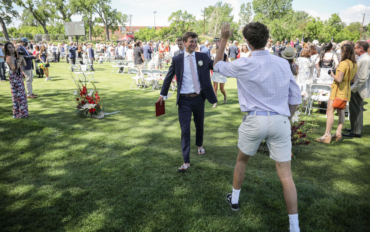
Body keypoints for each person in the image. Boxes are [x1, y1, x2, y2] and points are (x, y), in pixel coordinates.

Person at [213, 22, 301, 232]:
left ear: (247, 42)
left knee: (241, 161)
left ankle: (234, 200)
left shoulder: (243, 63)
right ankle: (294, 227)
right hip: (280, 118)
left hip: (254, 119)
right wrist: (286, 118)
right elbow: (295, 97)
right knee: (286, 176)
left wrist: (224, 39)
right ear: (267, 39)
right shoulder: (282, 64)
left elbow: (216, 66)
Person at [156, 31, 217, 172]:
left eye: (195, 41)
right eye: (191, 41)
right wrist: (162, 94)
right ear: (184, 42)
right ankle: (186, 161)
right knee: (185, 130)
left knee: (199, 124)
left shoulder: (203, 56)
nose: (194, 44)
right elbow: (168, 76)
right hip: (183, 100)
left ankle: (200, 145)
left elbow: (215, 66)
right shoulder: (177, 59)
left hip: (199, 98)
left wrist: (219, 48)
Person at [315, 44, 358, 143]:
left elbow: (338, 79)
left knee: (329, 112)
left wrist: (332, 74)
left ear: (345, 52)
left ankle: (327, 135)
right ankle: (338, 133)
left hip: (337, 90)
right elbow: (354, 79)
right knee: (341, 113)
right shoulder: (354, 64)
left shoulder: (343, 63)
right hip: (346, 91)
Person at [342, 41, 370, 138]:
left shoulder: (365, 59)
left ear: (361, 48)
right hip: (356, 87)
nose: (354, 50)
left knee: (356, 110)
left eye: (356, 48)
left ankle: (356, 131)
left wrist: (353, 88)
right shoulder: (363, 58)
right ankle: (354, 127)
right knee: (355, 109)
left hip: (358, 89)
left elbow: (362, 78)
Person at [4, 42, 29, 118]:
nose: (11, 49)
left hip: (19, 78)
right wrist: (19, 59)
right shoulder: (8, 57)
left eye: (12, 47)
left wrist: (21, 57)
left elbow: (24, 64)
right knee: (18, 96)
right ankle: (18, 114)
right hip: (14, 78)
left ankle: (23, 113)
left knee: (22, 95)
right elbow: (14, 69)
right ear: (7, 49)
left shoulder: (15, 56)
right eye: (9, 47)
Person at [211, 43, 228, 108]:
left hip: (222, 73)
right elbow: (212, 63)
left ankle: (225, 96)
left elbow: (227, 64)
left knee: (221, 89)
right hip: (215, 72)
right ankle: (215, 102)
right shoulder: (214, 54)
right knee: (215, 88)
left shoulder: (225, 55)